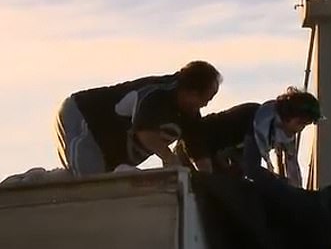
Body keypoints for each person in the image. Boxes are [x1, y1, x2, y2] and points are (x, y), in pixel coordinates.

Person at [55, 60, 222, 176]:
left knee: (108, 179)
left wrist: (206, 179)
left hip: (109, 145)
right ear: (190, 92)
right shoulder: (156, 94)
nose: (205, 105)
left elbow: (199, 152)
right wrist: (171, 160)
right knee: (90, 182)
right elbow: (145, 134)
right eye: (205, 99)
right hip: (83, 116)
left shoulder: (190, 115)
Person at [242, 87, 322, 188]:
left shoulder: (283, 131)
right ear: (288, 115)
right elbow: (251, 169)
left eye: (304, 125)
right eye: (299, 123)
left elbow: (293, 168)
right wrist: (280, 182)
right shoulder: (258, 122)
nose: (300, 129)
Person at [174, 102, 261, 175]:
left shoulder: (255, 116)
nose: (205, 103)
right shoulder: (195, 139)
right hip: (196, 143)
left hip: (216, 144)